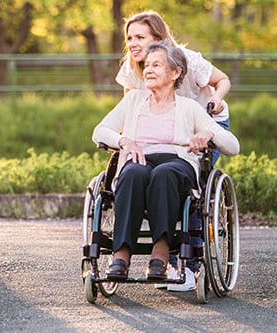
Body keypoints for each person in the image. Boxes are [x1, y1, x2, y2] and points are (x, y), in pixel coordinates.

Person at [92, 41, 240, 287]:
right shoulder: (133, 101)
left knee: (164, 173)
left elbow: (233, 146)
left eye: (157, 65)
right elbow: (99, 131)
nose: (148, 69)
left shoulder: (189, 108)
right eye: (147, 65)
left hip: (177, 163)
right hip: (139, 159)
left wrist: (209, 135)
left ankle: (160, 252)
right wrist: (124, 140)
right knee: (132, 175)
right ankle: (121, 255)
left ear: (175, 72)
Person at [116, 10, 231, 143]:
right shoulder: (131, 67)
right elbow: (130, 106)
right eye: (129, 38)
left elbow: (223, 80)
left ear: (158, 40)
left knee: (189, 163)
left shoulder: (189, 60)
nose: (132, 44)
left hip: (206, 123)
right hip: (168, 125)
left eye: (140, 37)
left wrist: (216, 98)